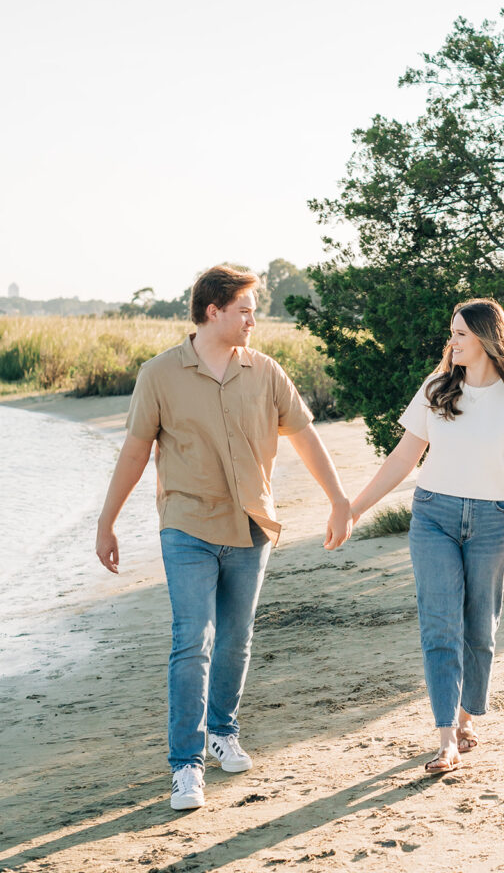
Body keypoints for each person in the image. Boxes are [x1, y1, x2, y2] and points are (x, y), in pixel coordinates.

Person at [95, 265, 353, 809]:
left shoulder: (265, 372)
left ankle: (222, 731)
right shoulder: (159, 374)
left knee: (235, 639)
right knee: (194, 638)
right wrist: (106, 521)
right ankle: (186, 766)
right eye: (244, 309)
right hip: (186, 524)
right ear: (213, 311)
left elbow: (305, 436)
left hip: (251, 525)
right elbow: (136, 452)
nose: (253, 319)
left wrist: (338, 499)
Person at [350, 298, 504, 773]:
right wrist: (355, 509)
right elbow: (403, 459)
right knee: (440, 627)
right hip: (433, 517)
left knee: (479, 631)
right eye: (452, 333)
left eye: (461, 333)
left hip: (493, 524)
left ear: (486, 337)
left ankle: (467, 719)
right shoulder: (437, 388)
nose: (452, 342)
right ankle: (445, 737)